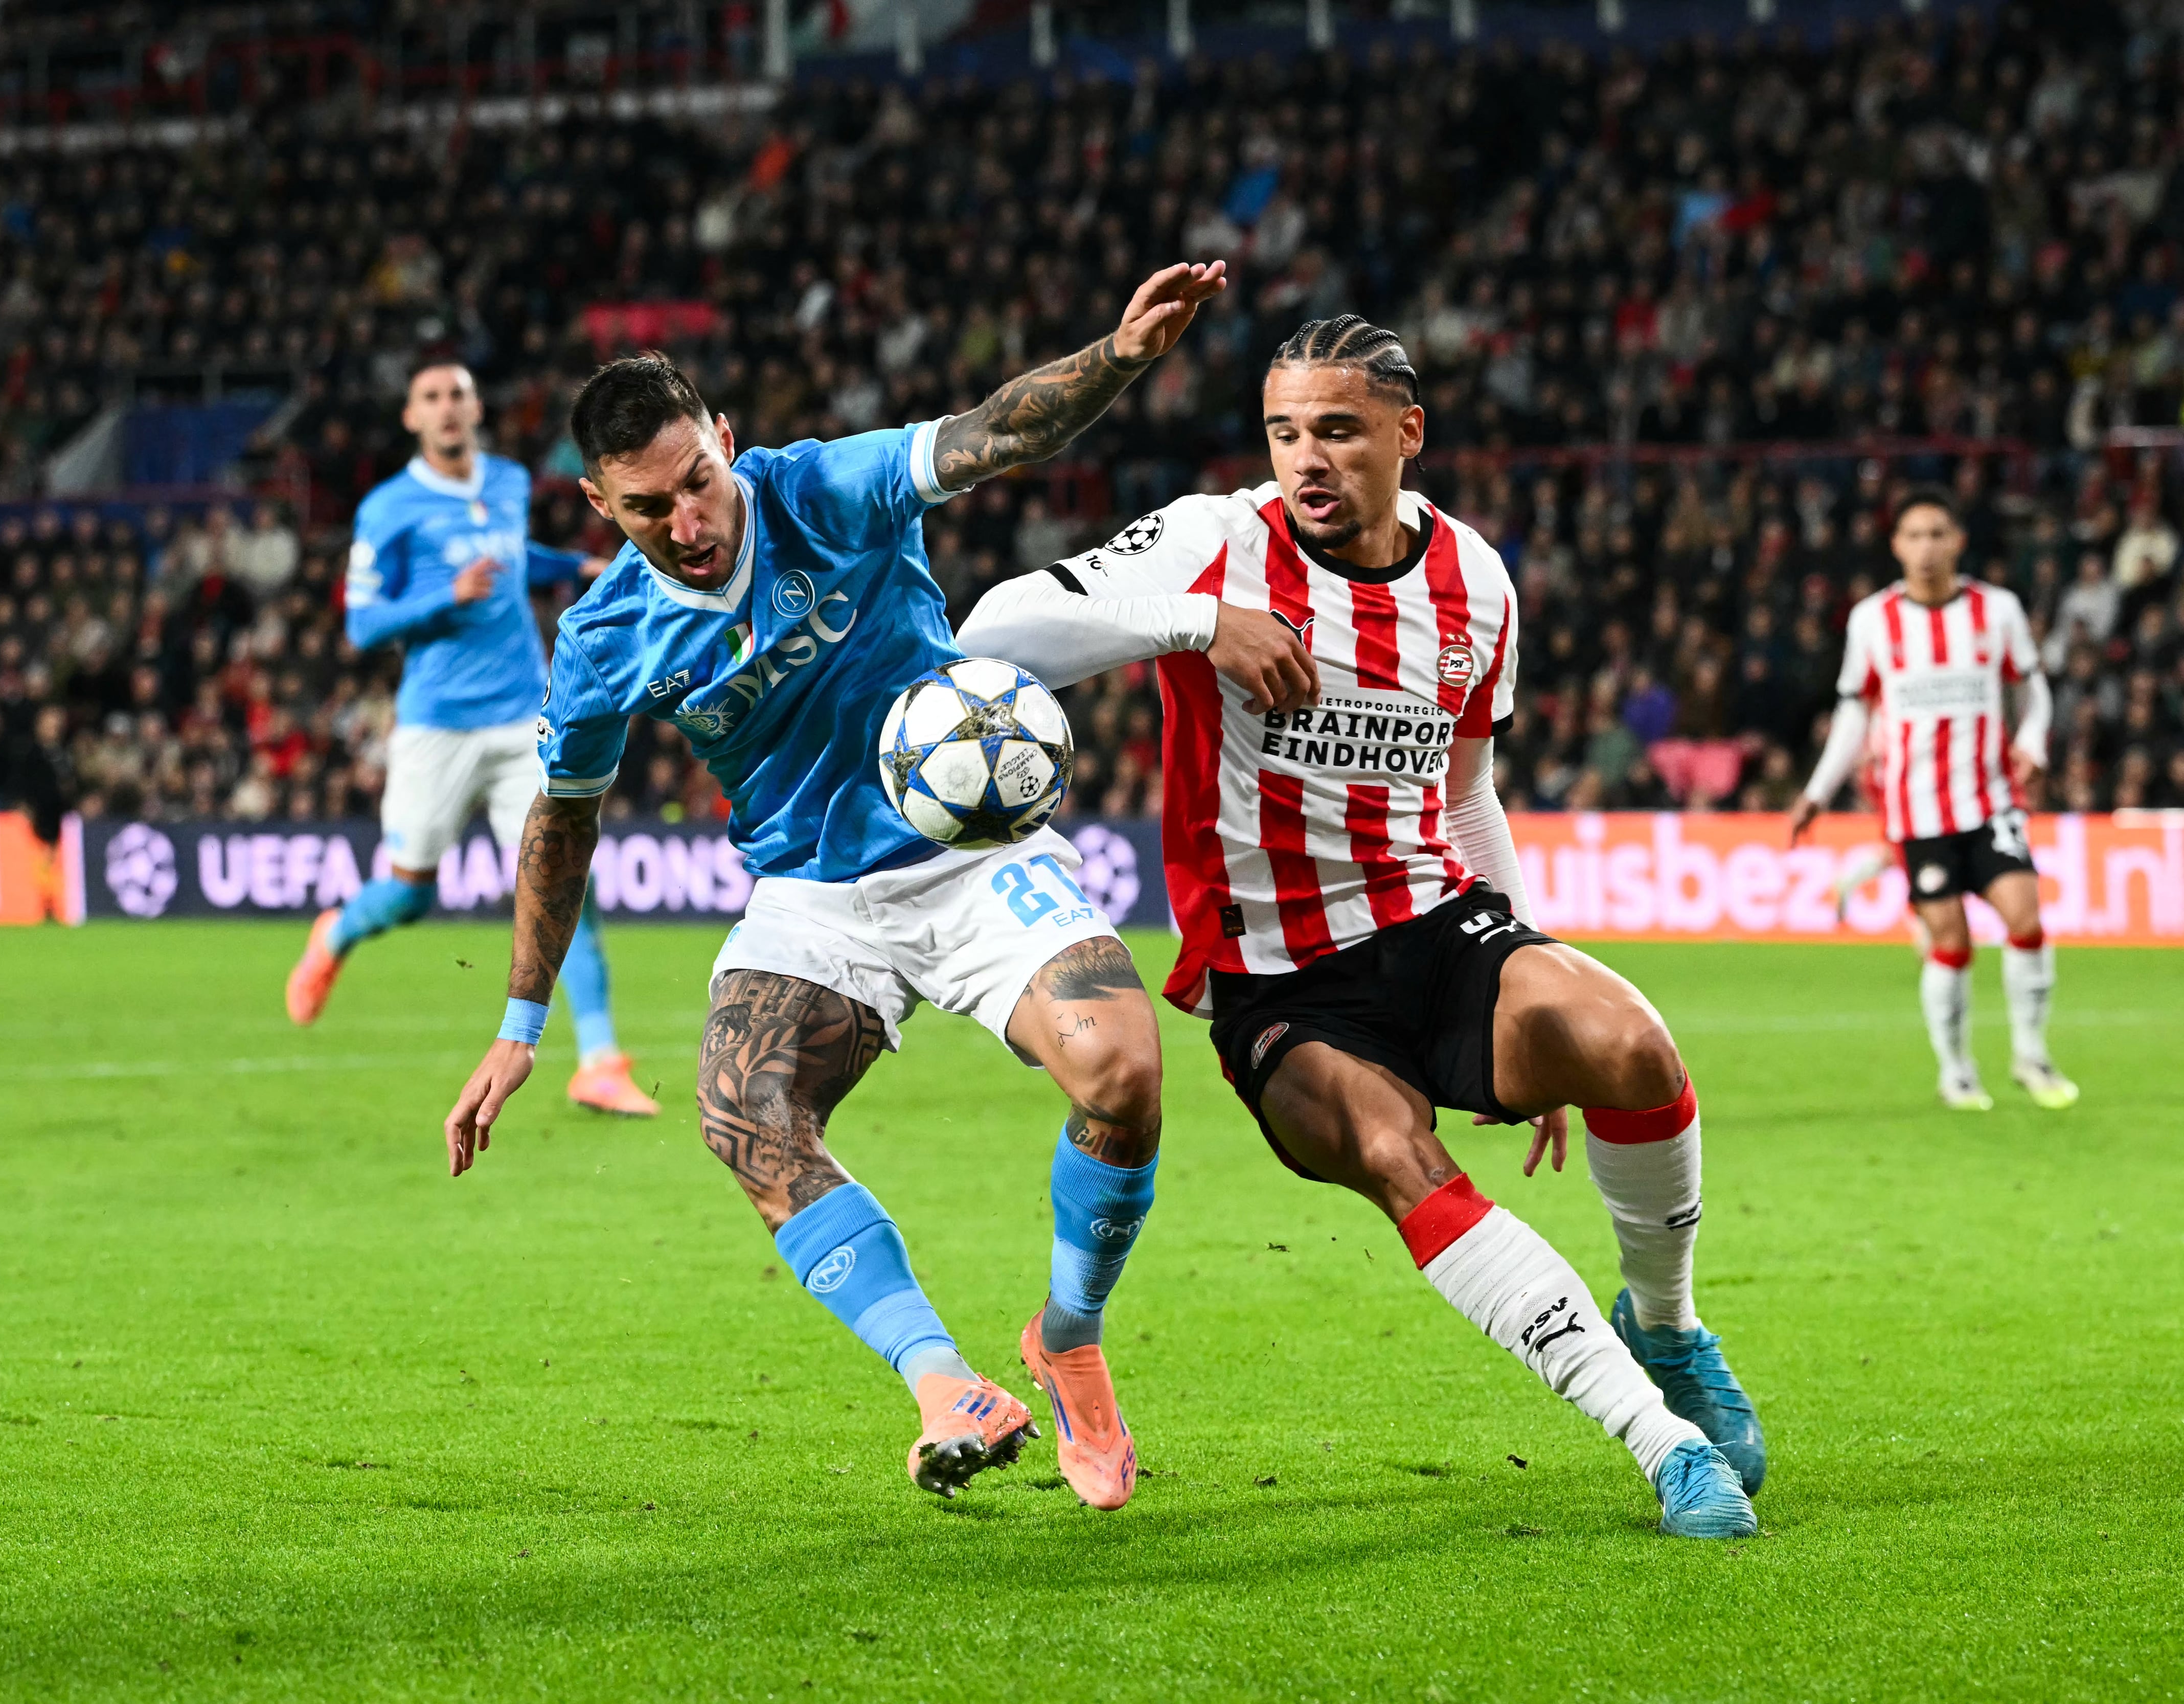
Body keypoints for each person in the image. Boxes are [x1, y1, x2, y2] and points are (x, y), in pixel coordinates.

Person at [442, 263, 1257, 1507]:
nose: (691, 521)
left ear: (726, 440)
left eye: (701, 482)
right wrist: (518, 1026)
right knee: (740, 1111)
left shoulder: (817, 487)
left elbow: (994, 433)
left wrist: (1123, 353)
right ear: (602, 507)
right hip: (813, 898)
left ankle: (1069, 1334)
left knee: (1125, 1075)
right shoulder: (607, 639)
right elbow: (562, 822)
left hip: (975, 854)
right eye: (651, 509)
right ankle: (947, 1386)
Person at [958, 314, 1764, 1539]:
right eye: (1285, 432)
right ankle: (1665, 1447)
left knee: (1631, 1047)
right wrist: (1188, 623)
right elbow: (994, 631)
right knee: (1400, 1159)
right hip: (1282, 981)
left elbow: (1468, 786)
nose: (1306, 459)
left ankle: (1668, 1327)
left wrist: (1529, 963)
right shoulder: (1213, 541)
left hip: (1441, 923)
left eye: (1337, 431)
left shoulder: (1473, 578)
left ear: (1407, 433)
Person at [287, 360, 659, 1120]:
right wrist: (443, 597)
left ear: (477, 405)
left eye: (458, 393)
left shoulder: (508, 482)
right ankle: (337, 933)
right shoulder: (389, 510)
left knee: (560, 885)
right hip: (436, 726)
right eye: (431, 398)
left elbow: (513, 561)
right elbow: (364, 624)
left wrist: (577, 566)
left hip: (524, 716)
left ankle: (599, 1061)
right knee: (408, 895)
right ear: (412, 419)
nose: (448, 408)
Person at [1793, 490, 2076, 1111]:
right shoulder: (1871, 619)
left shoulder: (1995, 610)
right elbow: (1851, 713)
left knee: (2025, 920)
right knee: (1950, 942)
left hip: (1990, 800)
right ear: (1896, 545)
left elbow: (2032, 690)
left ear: (1957, 541)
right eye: (1913, 536)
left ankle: (2030, 1055)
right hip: (1916, 811)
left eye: (1936, 534)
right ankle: (1956, 1071)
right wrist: (1816, 792)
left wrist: (2032, 743)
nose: (1925, 548)